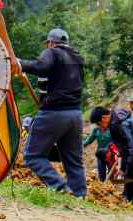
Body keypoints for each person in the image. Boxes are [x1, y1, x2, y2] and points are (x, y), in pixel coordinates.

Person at [20, 29, 87, 197]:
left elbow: (40, 66)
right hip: (76, 115)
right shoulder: (77, 58)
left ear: (50, 42)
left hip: (54, 113)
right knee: (74, 161)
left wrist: (19, 63)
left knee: (32, 156)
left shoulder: (52, 52)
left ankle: (60, 188)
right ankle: (80, 196)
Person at [93, 106, 133, 203]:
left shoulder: (119, 123)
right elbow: (123, 147)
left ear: (104, 118)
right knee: (129, 179)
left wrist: (123, 168)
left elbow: (128, 146)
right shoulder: (115, 121)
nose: (100, 127)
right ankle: (132, 204)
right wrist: (122, 165)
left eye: (99, 124)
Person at [85, 108, 114, 182]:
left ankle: (112, 187)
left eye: (99, 123)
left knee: (111, 174)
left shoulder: (112, 129)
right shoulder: (96, 130)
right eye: (97, 124)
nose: (99, 125)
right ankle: (103, 187)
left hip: (111, 155)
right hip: (100, 155)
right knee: (101, 174)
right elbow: (88, 140)